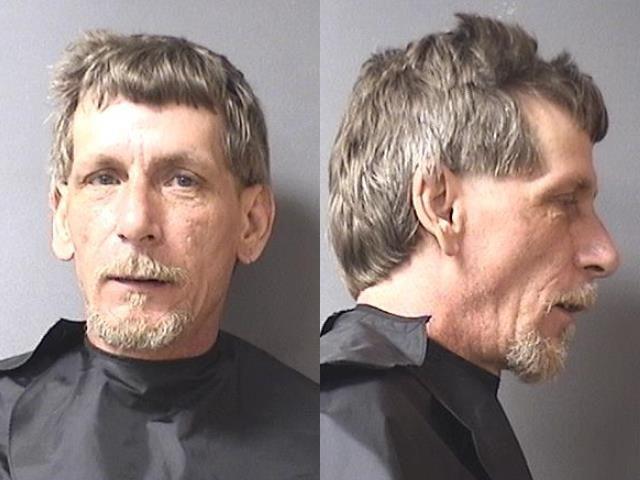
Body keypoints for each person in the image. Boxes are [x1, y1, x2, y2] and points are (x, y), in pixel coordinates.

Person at [0, 31, 318, 480]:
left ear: (251, 224)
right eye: (104, 178)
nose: (136, 222)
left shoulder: (325, 447)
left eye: (182, 180)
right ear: (61, 218)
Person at [320, 13, 619, 480]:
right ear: (441, 207)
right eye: (564, 201)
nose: (605, 253)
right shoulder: (348, 423)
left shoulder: (405, 411)